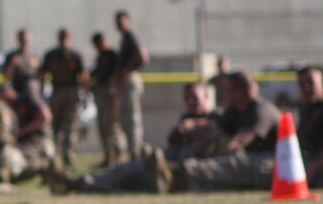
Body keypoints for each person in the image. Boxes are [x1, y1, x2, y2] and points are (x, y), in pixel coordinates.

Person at [50, 83, 222, 194]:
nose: (190, 102)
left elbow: (216, 129)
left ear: (206, 97)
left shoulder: (216, 117)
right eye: (187, 98)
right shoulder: (186, 116)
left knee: (128, 178)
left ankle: (80, 184)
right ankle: (78, 183)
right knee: (122, 170)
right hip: (164, 162)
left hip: (181, 169)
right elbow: (172, 142)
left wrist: (194, 125)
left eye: (194, 98)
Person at [156, 71, 280, 193]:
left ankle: (176, 175)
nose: (224, 93)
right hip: (254, 161)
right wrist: (191, 126)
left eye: (227, 89)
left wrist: (213, 156)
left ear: (239, 91)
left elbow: (238, 142)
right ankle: (169, 170)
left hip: (273, 164)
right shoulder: (236, 110)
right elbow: (215, 125)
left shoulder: (262, 110)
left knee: (232, 165)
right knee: (224, 156)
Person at [39, 28, 87, 166]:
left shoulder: (75, 55)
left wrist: (84, 94)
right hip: (58, 91)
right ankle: (54, 156)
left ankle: (68, 157)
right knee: (56, 126)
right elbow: (42, 74)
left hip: (71, 91)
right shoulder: (52, 55)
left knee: (70, 126)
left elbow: (83, 75)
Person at [115, 10, 149, 160]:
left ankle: (136, 153)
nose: (119, 25)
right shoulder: (124, 38)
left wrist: (129, 71)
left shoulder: (131, 36)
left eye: (121, 21)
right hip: (125, 82)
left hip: (130, 81)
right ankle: (132, 152)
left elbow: (143, 57)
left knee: (132, 118)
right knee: (125, 118)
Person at [90, 32, 124, 168]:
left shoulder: (112, 56)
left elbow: (116, 76)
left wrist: (115, 97)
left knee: (111, 126)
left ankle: (118, 155)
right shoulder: (100, 57)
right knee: (103, 127)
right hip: (100, 94)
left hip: (109, 94)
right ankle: (108, 157)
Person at [3, 28, 40, 98]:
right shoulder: (12, 56)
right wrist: (12, 64)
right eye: (22, 40)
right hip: (17, 90)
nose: (25, 42)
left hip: (33, 91)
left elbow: (40, 74)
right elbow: (6, 76)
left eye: (26, 40)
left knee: (31, 86)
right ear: (19, 40)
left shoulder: (34, 56)